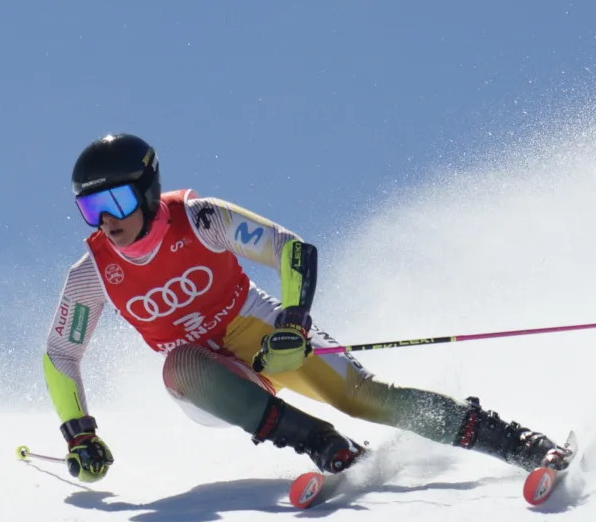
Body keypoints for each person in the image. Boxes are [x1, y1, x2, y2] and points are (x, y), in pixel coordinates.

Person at [42, 132, 568, 489]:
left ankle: (520, 444)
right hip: (208, 380)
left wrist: (293, 319)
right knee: (176, 366)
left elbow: (290, 249)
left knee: (366, 398)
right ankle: (324, 445)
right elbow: (61, 353)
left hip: (259, 332)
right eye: (91, 209)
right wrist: (80, 432)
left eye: (116, 202)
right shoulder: (92, 275)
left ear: (148, 192)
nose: (106, 221)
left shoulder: (199, 219)